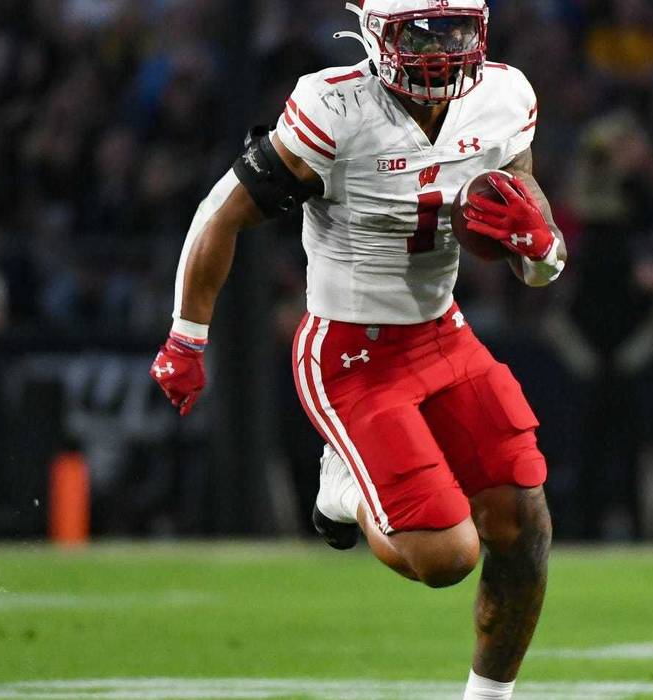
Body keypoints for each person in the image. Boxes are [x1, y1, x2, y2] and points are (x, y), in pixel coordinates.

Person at [149, 3, 565, 698]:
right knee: (445, 557)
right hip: (350, 352)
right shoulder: (334, 107)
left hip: (444, 332)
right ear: (374, 34)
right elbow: (220, 211)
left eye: (453, 28)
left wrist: (544, 249)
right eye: (419, 32)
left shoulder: (503, 95)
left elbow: (533, 238)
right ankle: (341, 485)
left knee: (522, 522)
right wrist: (186, 336)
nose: (439, 49)